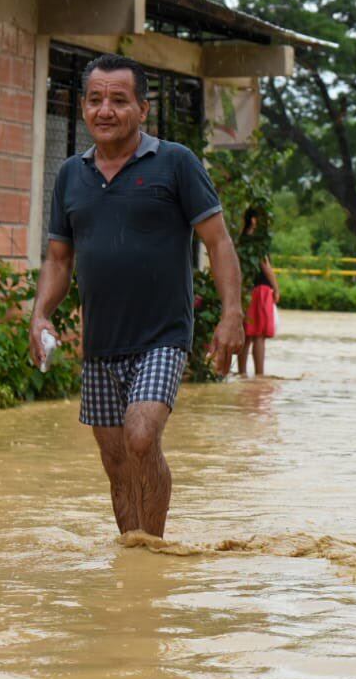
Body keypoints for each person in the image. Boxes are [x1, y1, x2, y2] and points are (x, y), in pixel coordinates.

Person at [29, 53, 244, 538]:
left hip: (162, 337)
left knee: (142, 438)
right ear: (83, 106)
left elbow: (219, 242)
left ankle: (155, 544)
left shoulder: (175, 163)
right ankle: (133, 553)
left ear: (143, 109)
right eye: (95, 100)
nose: (105, 110)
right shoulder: (70, 175)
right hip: (101, 343)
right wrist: (41, 314)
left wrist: (232, 313)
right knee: (115, 460)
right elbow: (59, 260)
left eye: (119, 101)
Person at [238, 207, 280, 377]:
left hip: (246, 289)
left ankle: (241, 373)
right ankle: (259, 376)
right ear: (254, 220)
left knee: (246, 335)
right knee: (259, 335)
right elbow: (265, 266)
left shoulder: (241, 239)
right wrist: (276, 287)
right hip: (261, 290)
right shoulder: (258, 241)